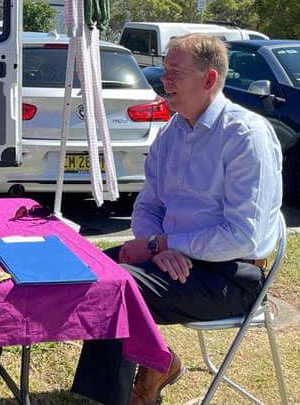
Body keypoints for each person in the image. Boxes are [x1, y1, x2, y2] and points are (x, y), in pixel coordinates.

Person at [71, 34, 282, 405]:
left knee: (118, 288)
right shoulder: (172, 132)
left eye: (175, 73)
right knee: (90, 270)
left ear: (209, 79)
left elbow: (242, 237)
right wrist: (159, 247)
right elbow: (148, 206)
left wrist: (162, 244)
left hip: (231, 275)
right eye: (164, 70)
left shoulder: (245, 136)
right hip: (176, 259)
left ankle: (130, 386)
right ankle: (158, 361)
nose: (163, 80)